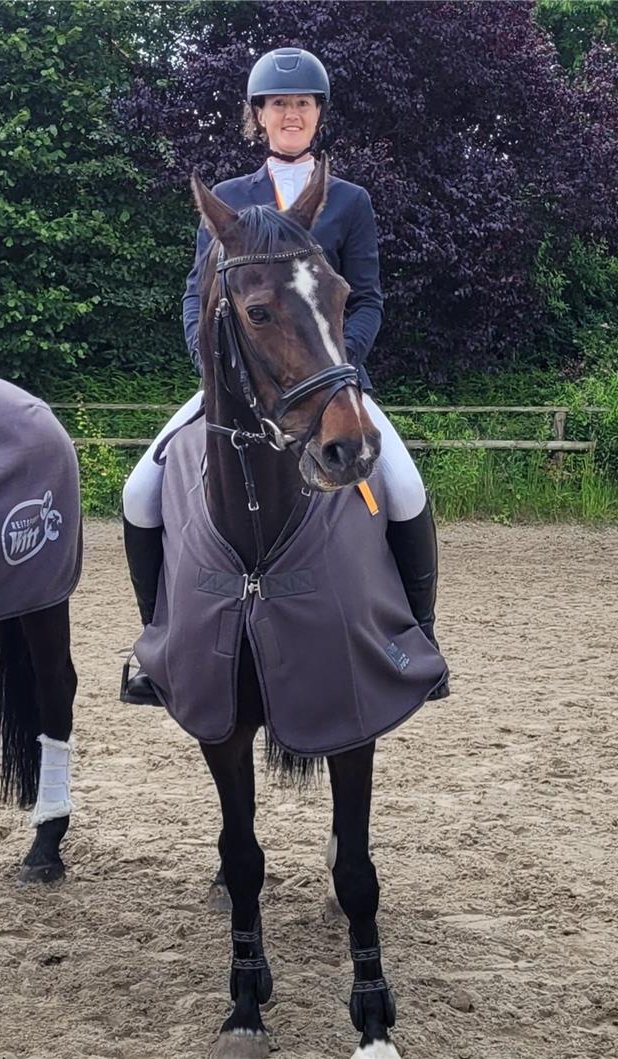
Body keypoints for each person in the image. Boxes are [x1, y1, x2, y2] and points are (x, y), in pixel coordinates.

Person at [118, 47, 440, 703]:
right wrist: (213, 373)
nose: (290, 114)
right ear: (258, 116)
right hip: (238, 381)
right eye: (278, 105)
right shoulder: (228, 201)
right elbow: (195, 297)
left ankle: (418, 638)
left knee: (404, 486)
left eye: (302, 104)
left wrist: (337, 366)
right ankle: (156, 644)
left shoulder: (349, 202)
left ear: (318, 115)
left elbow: (369, 296)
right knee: (139, 491)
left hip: (331, 381)